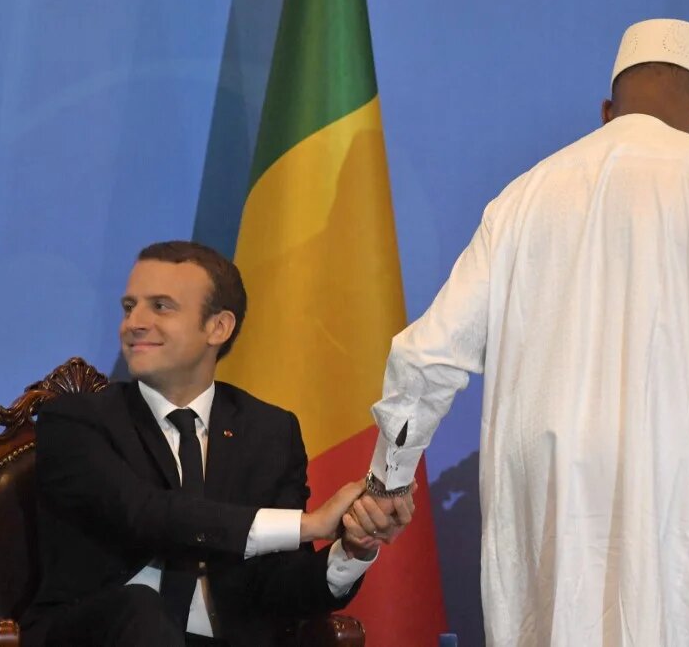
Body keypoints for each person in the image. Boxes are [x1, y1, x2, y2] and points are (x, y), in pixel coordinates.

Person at [345, 19, 689, 646]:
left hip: (551, 502)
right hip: (685, 492)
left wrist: (388, 480)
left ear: (606, 112)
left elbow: (427, 356)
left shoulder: (520, 199)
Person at [20, 240, 404, 647]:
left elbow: (280, 586)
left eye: (161, 306)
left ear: (218, 327)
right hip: (102, 636)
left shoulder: (270, 431)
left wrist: (351, 549)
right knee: (141, 606)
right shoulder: (76, 421)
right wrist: (309, 524)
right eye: (130, 306)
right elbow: (145, 513)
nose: (134, 323)